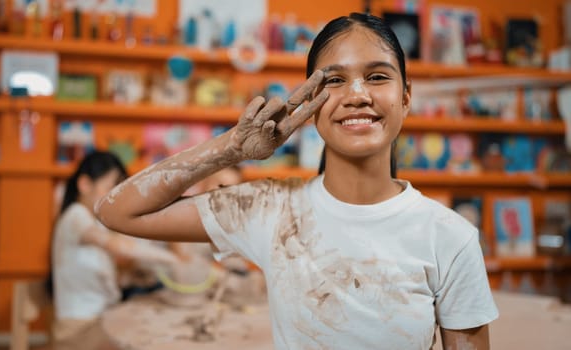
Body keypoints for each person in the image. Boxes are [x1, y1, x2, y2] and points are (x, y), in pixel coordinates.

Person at [96, 13, 498, 349]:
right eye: (335, 80)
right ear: (309, 104)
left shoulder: (450, 237)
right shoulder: (269, 208)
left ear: (406, 97)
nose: (357, 94)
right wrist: (232, 148)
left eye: (377, 77)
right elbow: (117, 211)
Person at [51, 150, 178, 348]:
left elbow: (90, 279)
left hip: (98, 321)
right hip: (77, 329)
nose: (114, 199)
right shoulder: (74, 217)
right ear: (84, 185)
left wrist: (128, 279)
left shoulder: (93, 223)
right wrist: (173, 259)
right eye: (111, 189)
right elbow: (118, 245)